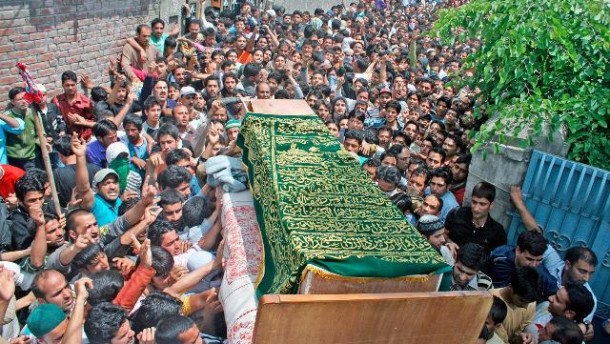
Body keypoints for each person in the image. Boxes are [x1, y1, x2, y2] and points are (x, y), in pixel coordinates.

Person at [486, 230, 558, 299]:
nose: (533, 265)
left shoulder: (541, 273)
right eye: (529, 259)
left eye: (539, 260)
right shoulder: (500, 258)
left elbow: (554, 293)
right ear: (518, 250)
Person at [445, 182, 506, 253]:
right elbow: (444, 234)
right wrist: (450, 243)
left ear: (491, 205)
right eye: (474, 202)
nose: (476, 208)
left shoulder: (497, 232)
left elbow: (496, 258)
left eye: (482, 204)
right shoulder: (457, 214)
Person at [490, 267, 541, 344]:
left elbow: (525, 326)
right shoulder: (490, 301)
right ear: (510, 287)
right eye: (522, 301)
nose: (525, 307)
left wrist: (525, 338)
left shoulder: (530, 303)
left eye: (528, 303)